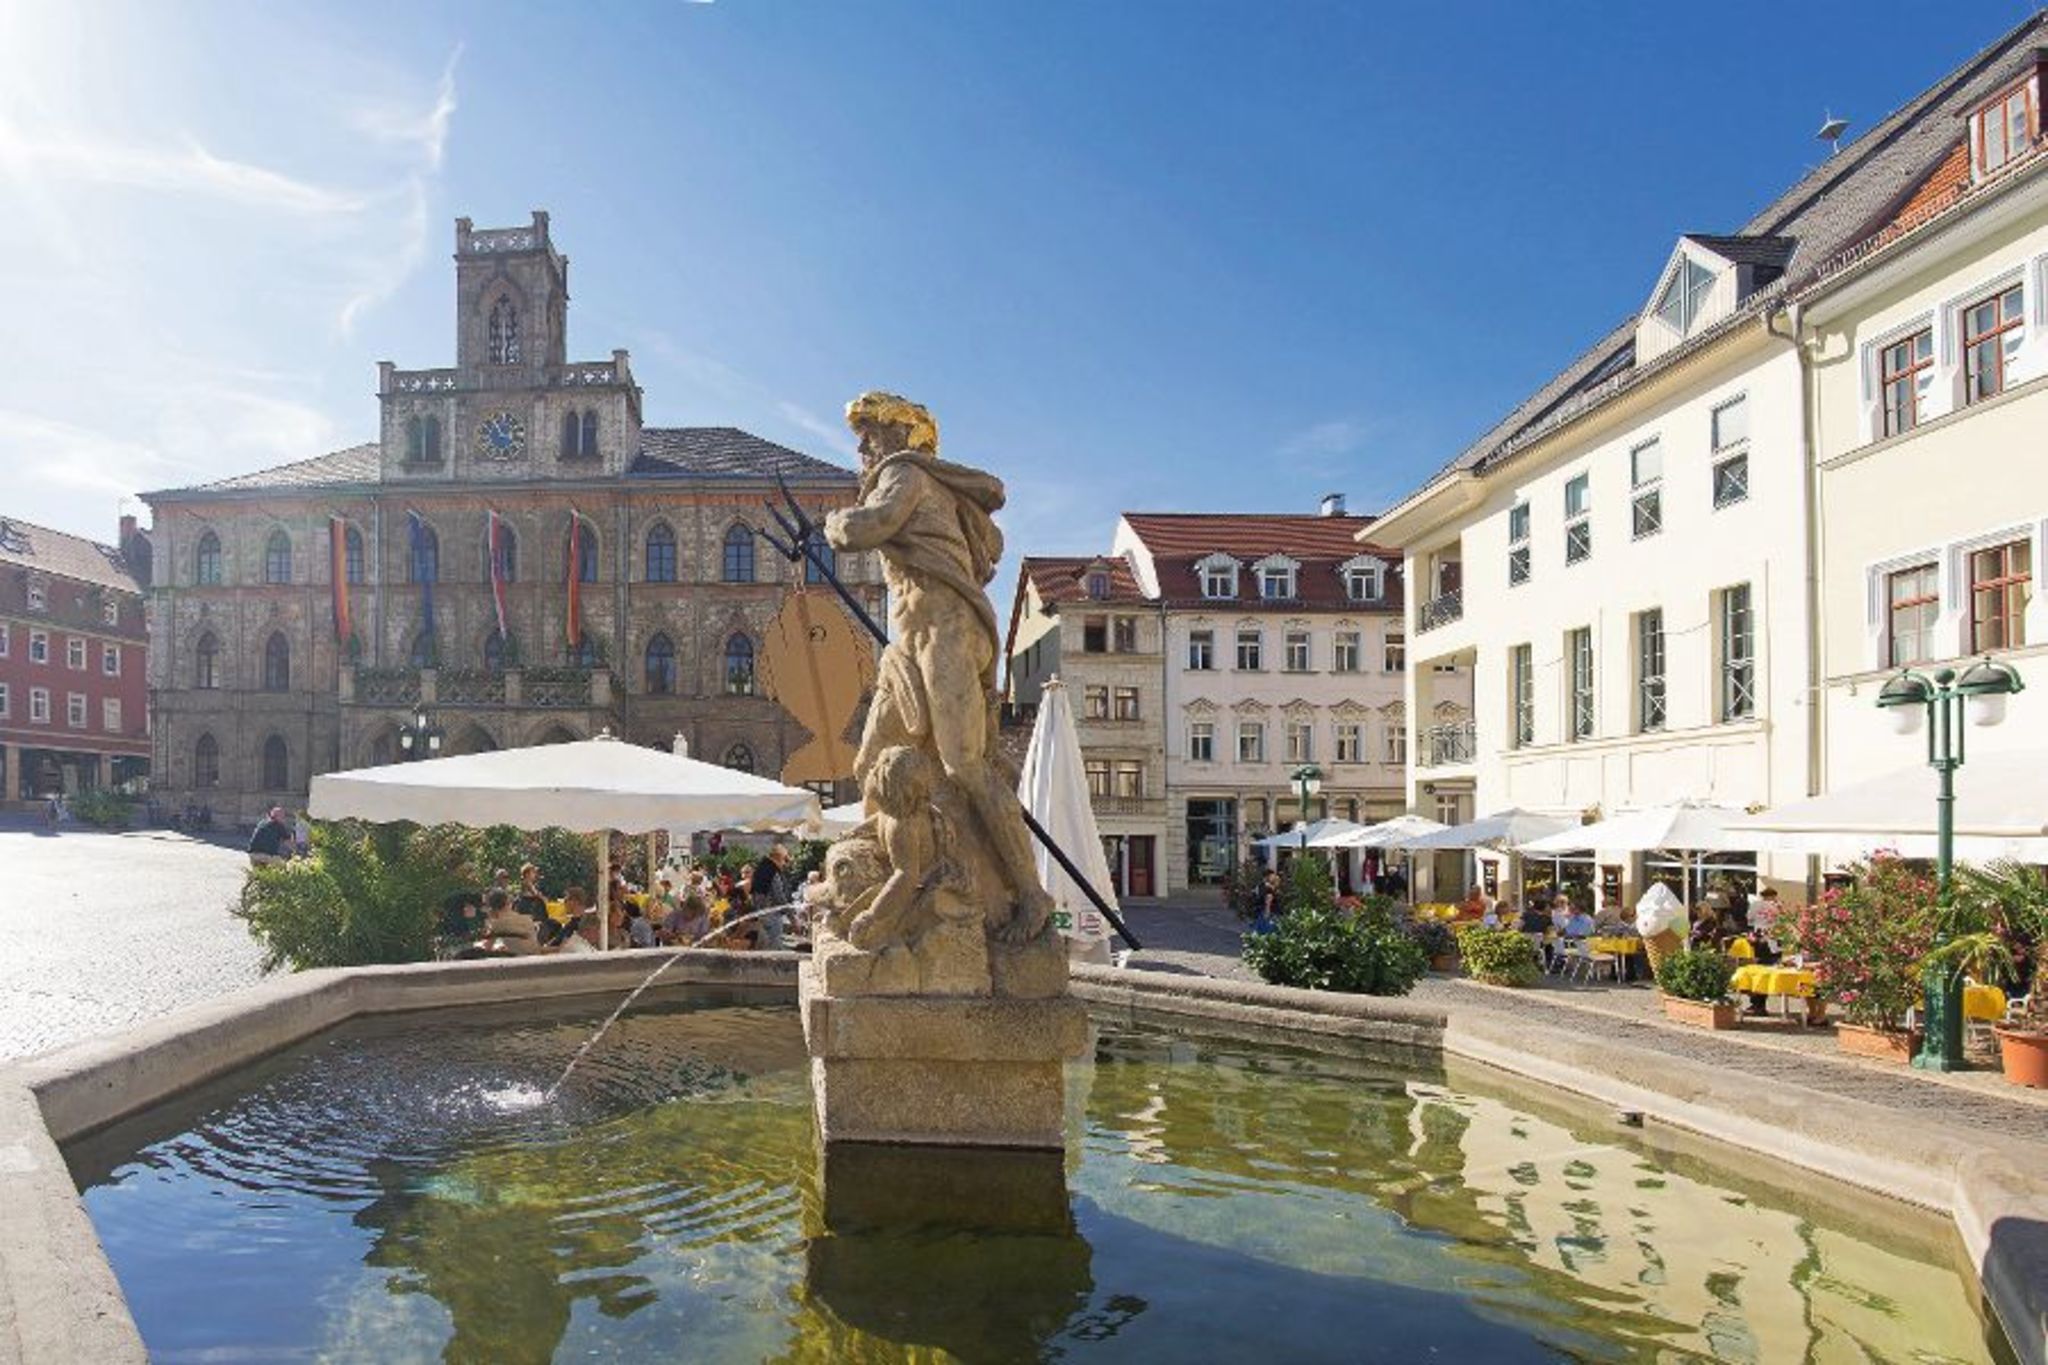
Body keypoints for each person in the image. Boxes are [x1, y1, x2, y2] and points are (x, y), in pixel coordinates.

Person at [750, 844, 794, 950]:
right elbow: (779, 897)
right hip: (772, 915)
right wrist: (792, 918)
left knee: (763, 948)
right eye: (785, 860)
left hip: (761, 913)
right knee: (773, 950)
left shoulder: (761, 868)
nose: (785, 864)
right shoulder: (772, 871)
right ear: (778, 857)